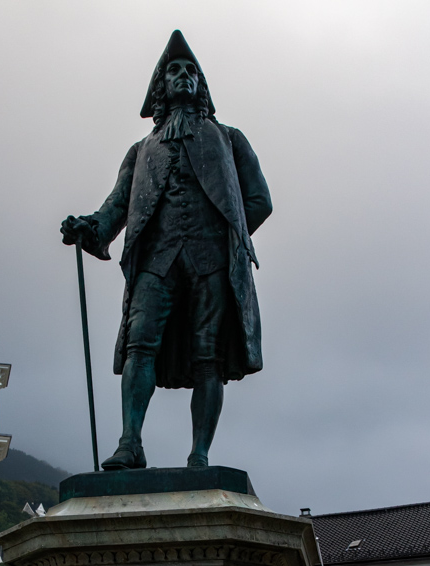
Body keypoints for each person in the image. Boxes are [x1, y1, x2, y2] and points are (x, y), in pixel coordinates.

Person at [62, 30, 272, 471]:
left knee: (208, 355)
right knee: (140, 345)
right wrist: (92, 227)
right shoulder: (141, 151)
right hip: (156, 262)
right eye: (173, 71)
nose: (182, 76)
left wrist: (229, 239)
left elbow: (259, 200)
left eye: (190, 71)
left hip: (211, 261)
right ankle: (129, 444)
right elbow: (117, 206)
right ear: (161, 86)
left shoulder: (229, 139)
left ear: (201, 85)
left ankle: (199, 455)